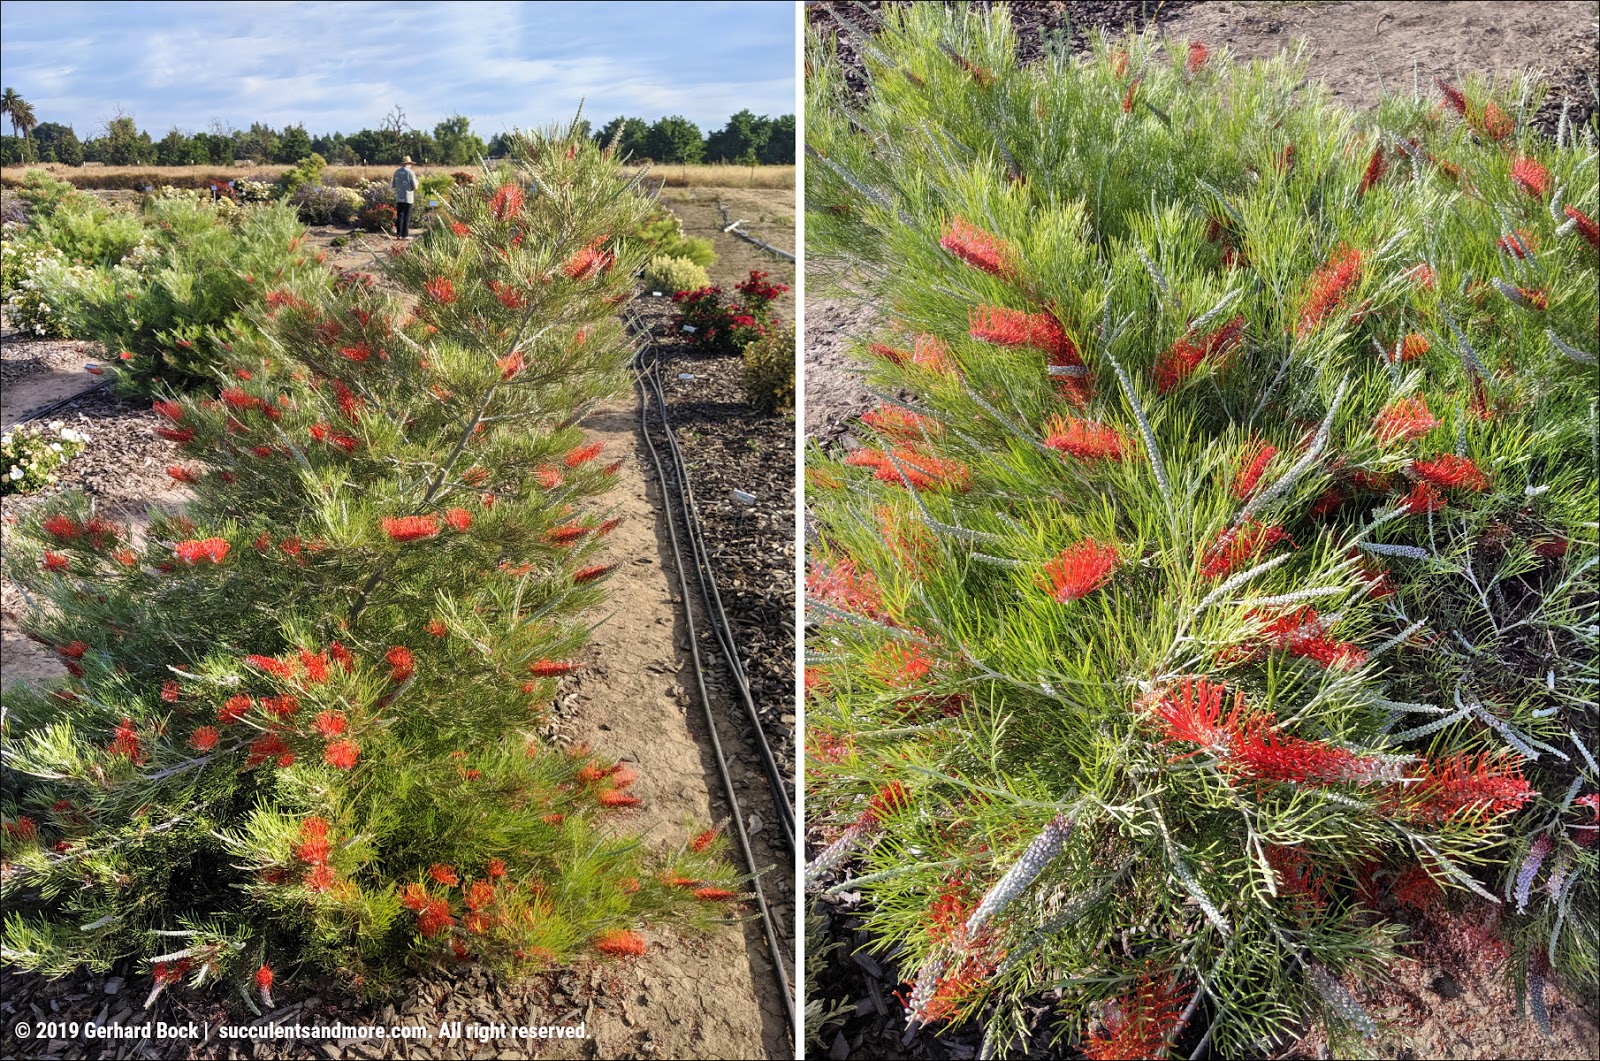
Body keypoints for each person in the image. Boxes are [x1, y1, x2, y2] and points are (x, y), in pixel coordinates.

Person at [392, 156, 418, 239]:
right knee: (406, 216)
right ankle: (405, 234)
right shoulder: (410, 173)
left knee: (399, 215)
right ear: (409, 164)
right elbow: (415, 186)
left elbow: (393, 185)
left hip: (399, 196)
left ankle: (398, 234)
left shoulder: (396, 172)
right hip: (408, 197)